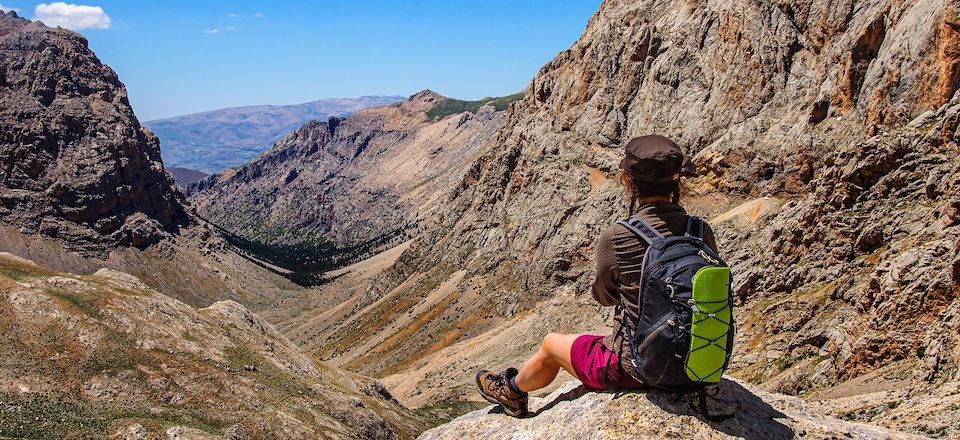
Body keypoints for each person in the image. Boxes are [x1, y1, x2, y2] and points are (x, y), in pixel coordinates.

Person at [476, 135, 718, 417]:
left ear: (628, 181)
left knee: (551, 344)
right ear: (678, 182)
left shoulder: (620, 236)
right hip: (702, 362)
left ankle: (511, 391)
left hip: (638, 368)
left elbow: (603, 296)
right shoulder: (699, 231)